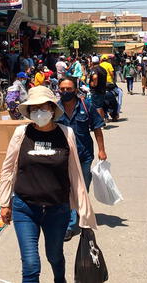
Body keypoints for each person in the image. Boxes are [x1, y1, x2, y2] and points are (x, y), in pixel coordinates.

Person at [0, 86, 97, 283]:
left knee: (54, 256)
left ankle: (59, 279)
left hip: (57, 209)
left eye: (43, 108)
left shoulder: (66, 133)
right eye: (34, 109)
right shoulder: (21, 133)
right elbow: (8, 169)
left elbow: (75, 173)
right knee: (30, 264)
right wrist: (4, 202)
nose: (39, 112)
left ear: (53, 110)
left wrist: (83, 212)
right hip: (25, 208)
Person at [57, 77, 106, 241]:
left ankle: (79, 211)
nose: (65, 92)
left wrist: (102, 150)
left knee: (82, 188)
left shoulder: (87, 105)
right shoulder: (54, 108)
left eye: (68, 89)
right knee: (67, 189)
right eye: (62, 89)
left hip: (84, 156)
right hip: (62, 158)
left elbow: (97, 128)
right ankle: (70, 225)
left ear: (75, 89)